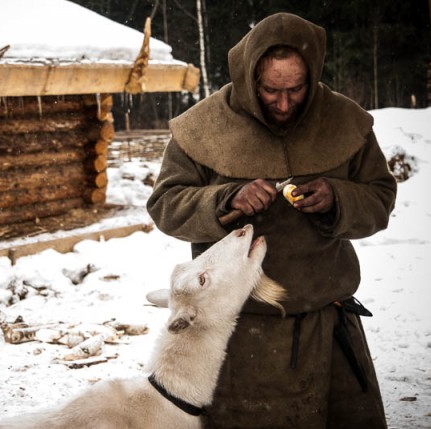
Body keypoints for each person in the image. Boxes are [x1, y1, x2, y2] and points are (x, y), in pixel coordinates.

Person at [146, 12, 397, 428]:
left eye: (296, 90)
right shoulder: (202, 127)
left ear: (312, 76)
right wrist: (225, 199)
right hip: (237, 336)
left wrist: (339, 197)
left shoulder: (345, 121)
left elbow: (380, 197)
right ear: (249, 79)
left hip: (326, 326)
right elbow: (166, 205)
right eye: (270, 91)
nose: (283, 104)